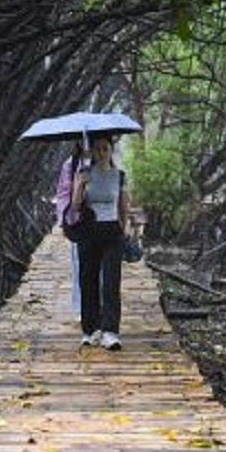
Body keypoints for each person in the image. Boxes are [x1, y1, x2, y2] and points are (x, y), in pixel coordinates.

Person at [72, 134, 130, 350]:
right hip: (88, 231)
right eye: (97, 149)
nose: (101, 153)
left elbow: (124, 205)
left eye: (105, 149)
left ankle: (110, 332)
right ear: (92, 151)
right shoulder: (84, 173)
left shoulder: (119, 176)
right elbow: (76, 206)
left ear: (111, 150)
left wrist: (126, 230)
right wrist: (80, 185)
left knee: (111, 282)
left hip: (112, 231)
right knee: (88, 280)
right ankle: (90, 330)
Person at [54, 141, 85, 314]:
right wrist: (66, 220)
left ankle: (100, 308)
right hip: (78, 221)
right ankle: (81, 307)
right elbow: (63, 193)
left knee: (101, 268)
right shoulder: (70, 164)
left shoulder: (103, 159)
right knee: (78, 265)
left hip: (102, 222)